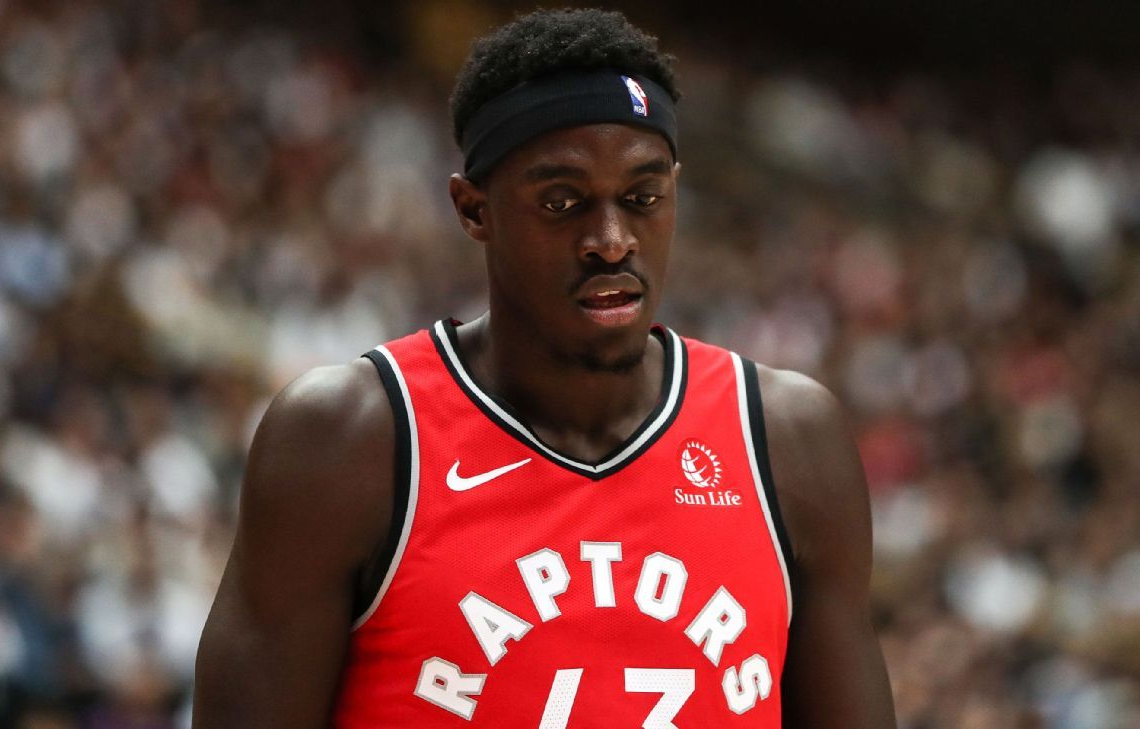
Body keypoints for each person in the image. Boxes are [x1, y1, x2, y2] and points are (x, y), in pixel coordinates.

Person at [193, 8, 896, 728]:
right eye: (562, 202)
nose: (611, 240)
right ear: (474, 209)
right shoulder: (348, 440)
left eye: (642, 198)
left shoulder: (788, 441)